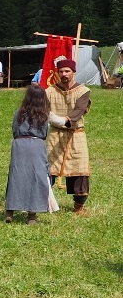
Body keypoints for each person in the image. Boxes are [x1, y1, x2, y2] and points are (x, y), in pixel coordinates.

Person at [45, 56, 91, 216]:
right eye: (61, 71)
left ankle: (79, 206)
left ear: (73, 72)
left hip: (76, 135)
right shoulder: (49, 91)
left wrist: (61, 120)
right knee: (48, 169)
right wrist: (52, 119)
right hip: (55, 135)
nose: (64, 74)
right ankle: (41, 201)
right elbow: (43, 111)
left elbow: (78, 112)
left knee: (79, 170)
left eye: (67, 71)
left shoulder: (83, 91)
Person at [5, 83, 53, 224]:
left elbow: (14, 130)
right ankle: (32, 215)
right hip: (37, 145)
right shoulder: (44, 114)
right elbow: (47, 131)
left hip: (19, 145)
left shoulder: (19, 112)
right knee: (37, 177)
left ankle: (10, 211)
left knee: (16, 176)